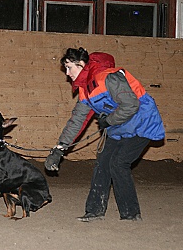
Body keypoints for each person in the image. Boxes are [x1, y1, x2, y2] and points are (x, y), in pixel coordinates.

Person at [45, 47, 164, 222]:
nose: (67, 73)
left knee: (118, 163)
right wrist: (59, 149)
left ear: (82, 64)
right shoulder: (85, 90)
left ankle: (131, 214)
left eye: (70, 67)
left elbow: (131, 105)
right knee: (103, 162)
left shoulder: (109, 77)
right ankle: (94, 211)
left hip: (143, 123)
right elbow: (77, 121)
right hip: (120, 126)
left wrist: (108, 121)